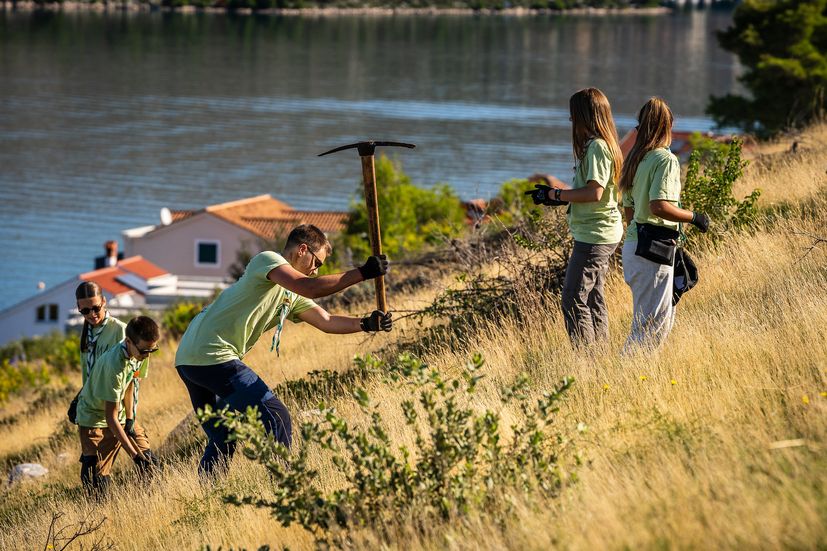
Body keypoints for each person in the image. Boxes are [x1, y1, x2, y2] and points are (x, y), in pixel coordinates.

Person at [175, 224, 393, 477]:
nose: (316, 269)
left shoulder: (291, 294)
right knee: (277, 417)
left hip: (188, 360)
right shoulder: (267, 260)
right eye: (317, 262)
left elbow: (327, 321)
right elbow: (311, 287)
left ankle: (207, 496)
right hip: (213, 355)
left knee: (223, 434)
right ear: (302, 250)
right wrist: (363, 273)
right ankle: (285, 484)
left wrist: (366, 324)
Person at [527, 88, 624, 346]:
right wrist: (554, 196)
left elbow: (594, 192)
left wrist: (557, 195)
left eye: (573, 115)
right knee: (593, 296)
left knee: (572, 297)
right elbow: (593, 193)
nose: (570, 120)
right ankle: (600, 356)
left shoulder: (597, 148)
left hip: (596, 234)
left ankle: (586, 360)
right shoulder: (600, 146)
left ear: (584, 115)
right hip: (597, 231)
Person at [618, 97, 710, 350]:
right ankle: (627, 379)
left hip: (636, 246)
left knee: (657, 322)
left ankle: (637, 378)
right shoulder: (665, 160)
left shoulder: (636, 160)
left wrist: (638, 232)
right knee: (650, 329)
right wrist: (695, 217)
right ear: (667, 126)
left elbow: (629, 209)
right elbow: (659, 206)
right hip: (653, 250)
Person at [76, 316, 161, 496]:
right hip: (94, 418)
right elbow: (110, 418)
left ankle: (144, 506)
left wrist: (130, 418)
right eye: (145, 351)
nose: (147, 356)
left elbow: (130, 381)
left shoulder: (139, 351)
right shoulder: (114, 366)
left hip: (119, 414)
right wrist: (135, 456)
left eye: (152, 350)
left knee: (151, 465)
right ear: (128, 341)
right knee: (96, 483)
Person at [74, 282, 147, 438]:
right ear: (79, 308)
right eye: (85, 311)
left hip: (117, 415)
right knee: (94, 463)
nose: (92, 314)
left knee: (146, 460)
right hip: (91, 416)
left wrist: (129, 418)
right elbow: (89, 376)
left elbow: (133, 378)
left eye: (96, 308)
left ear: (104, 302)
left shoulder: (120, 330)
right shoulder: (86, 335)